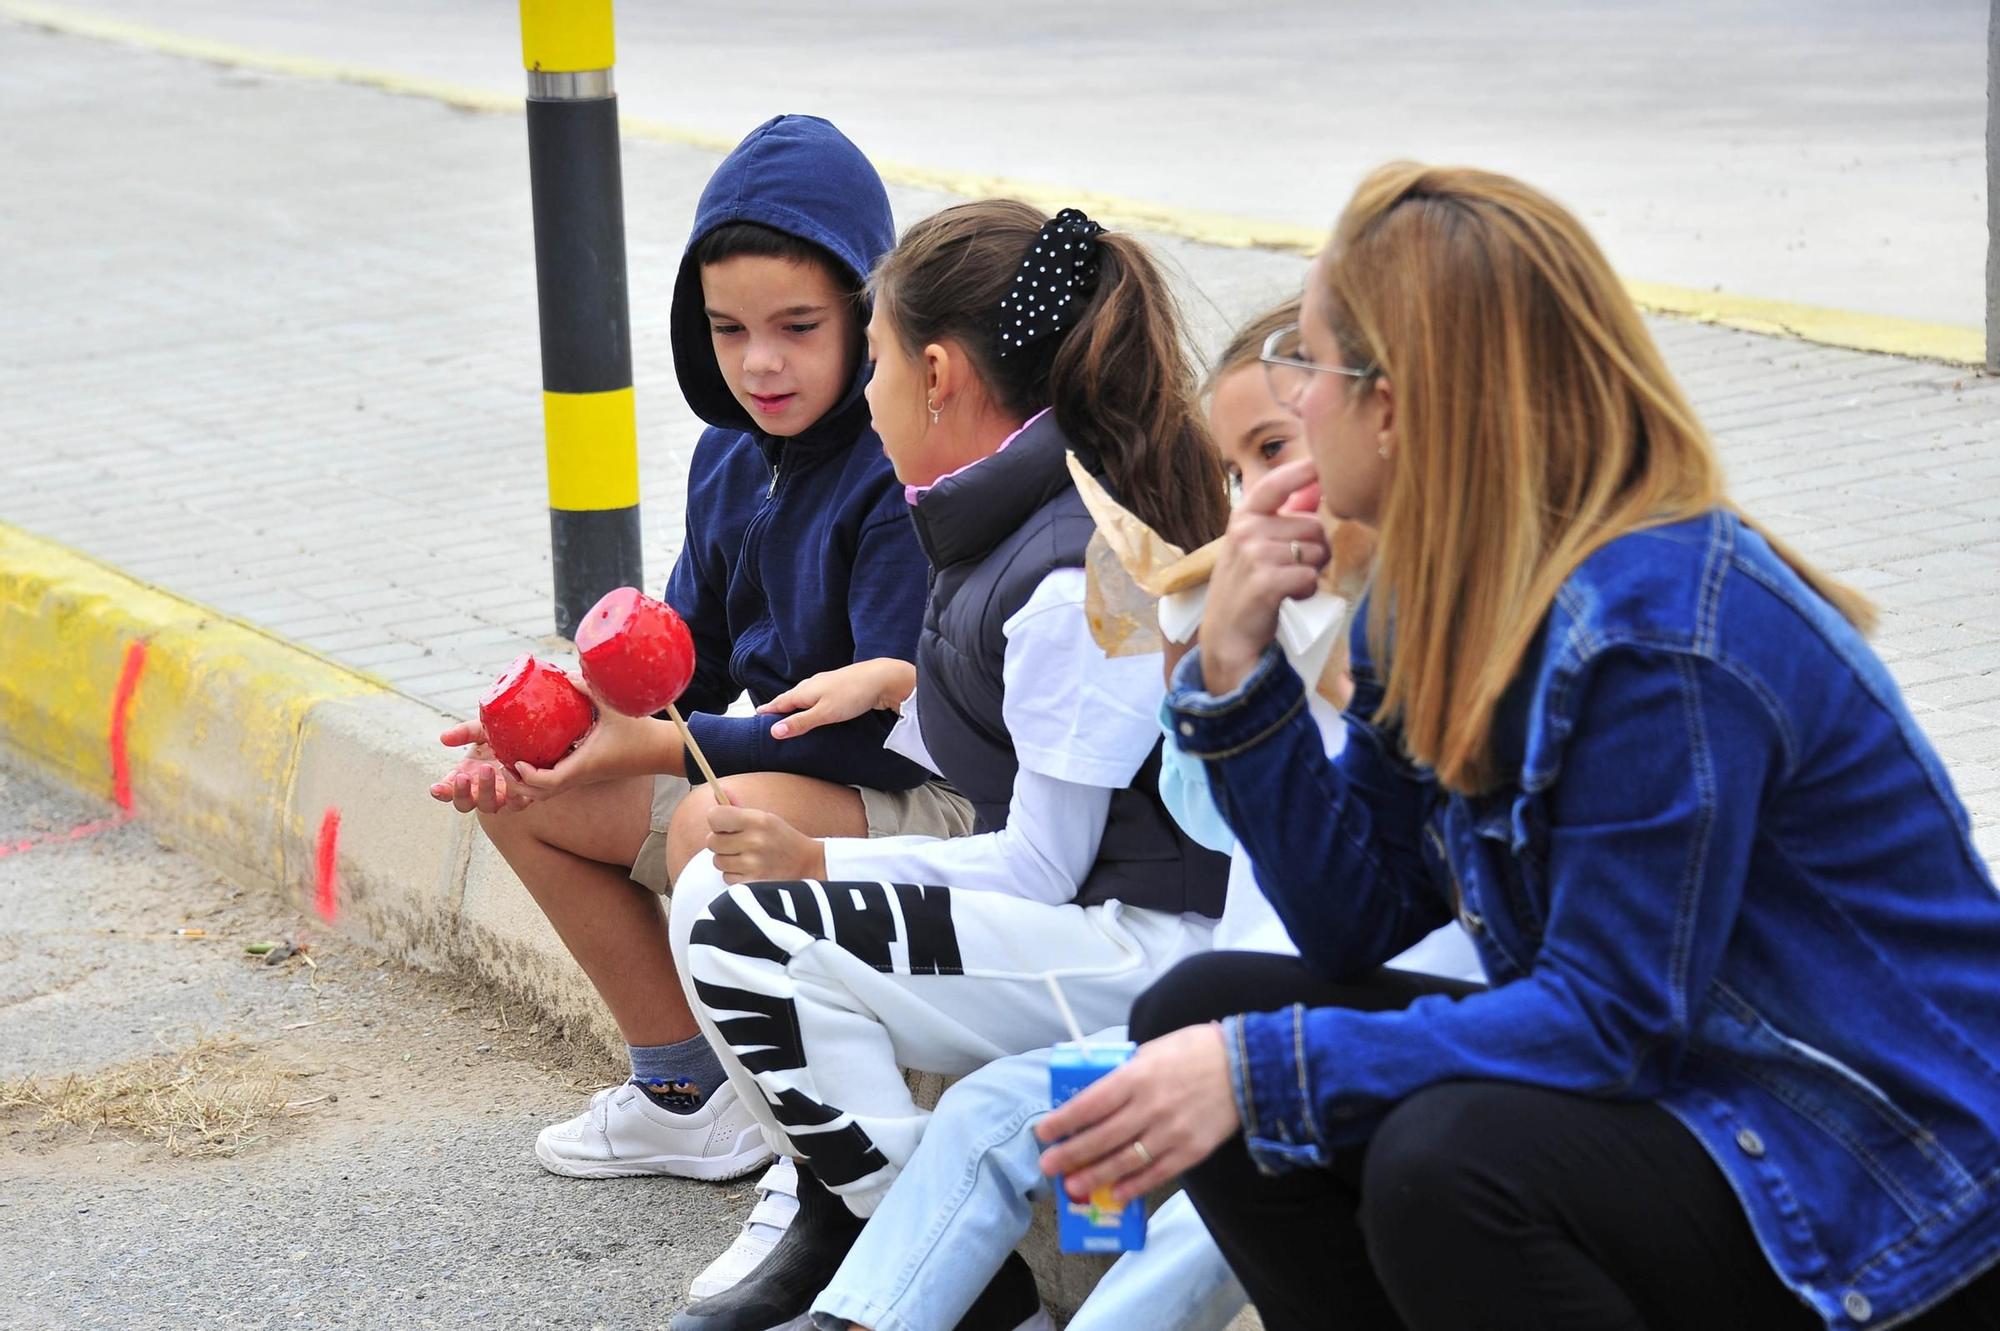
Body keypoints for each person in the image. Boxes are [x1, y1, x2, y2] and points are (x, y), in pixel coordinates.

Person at [1037, 161, 2000, 1331]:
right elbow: (1358, 918)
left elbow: (1612, 1018)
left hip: (1886, 1180)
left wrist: (1261, 1070)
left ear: (1394, 404)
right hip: (1710, 1096)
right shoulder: (1430, 590)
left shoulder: (1655, 629)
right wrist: (1235, 673)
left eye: (1314, 362)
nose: (1296, 400)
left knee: (1449, 1163)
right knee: (1199, 1012)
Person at [803, 295, 1481, 1331]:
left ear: (1377, 433)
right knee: (1007, 1113)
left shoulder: (1412, 629)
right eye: (1234, 469)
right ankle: (865, 1318)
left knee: (1189, 1211)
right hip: (1223, 1000)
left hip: (1369, 1028)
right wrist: (1197, 679)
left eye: (1274, 448)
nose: (1254, 495)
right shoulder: (1270, 624)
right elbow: (1206, 821)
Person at [663, 201, 1233, 1331]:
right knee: (719, 897)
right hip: (1100, 920)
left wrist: (818, 858)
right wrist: (900, 687)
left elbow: (1043, 864)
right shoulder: (1014, 514)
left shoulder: (1073, 560)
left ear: (934, 373)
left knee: (744, 928)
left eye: (869, 361)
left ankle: (935, 1272)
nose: (865, 398)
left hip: (1149, 948)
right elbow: (1053, 740)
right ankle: (920, 1256)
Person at [428, 116, 971, 1193]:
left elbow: (870, 730)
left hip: (914, 786)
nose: (759, 361)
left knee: (709, 823)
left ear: (870, 315)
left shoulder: (895, 462)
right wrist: (559, 723)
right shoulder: (728, 453)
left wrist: (660, 751)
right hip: (783, 764)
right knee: (520, 793)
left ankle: (826, 1149)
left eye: (798, 325)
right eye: (727, 329)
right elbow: (682, 666)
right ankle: (687, 1094)